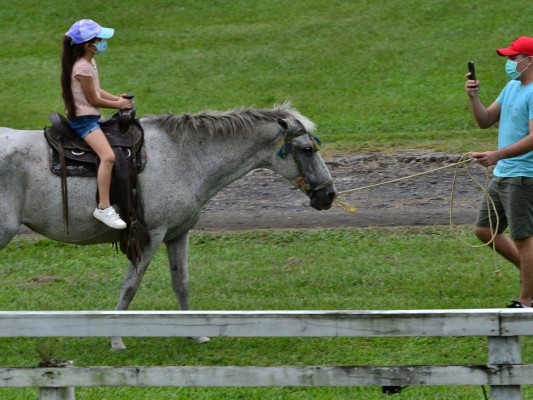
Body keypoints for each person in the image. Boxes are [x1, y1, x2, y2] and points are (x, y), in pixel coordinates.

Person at [465, 36, 533, 308]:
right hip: (504, 174)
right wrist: (473, 96)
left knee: (523, 238)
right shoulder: (512, 87)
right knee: (484, 230)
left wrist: (496, 155)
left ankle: (526, 301)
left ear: (530, 60)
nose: (509, 62)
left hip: (523, 176)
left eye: (513, 58)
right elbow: (485, 121)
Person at [61, 19, 133, 229]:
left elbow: (97, 91)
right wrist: (117, 104)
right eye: (99, 39)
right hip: (84, 121)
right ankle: (103, 207)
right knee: (108, 156)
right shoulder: (82, 67)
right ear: (88, 45)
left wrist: (117, 100)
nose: (103, 42)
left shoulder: (89, 62)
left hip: (90, 116)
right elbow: (93, 100)